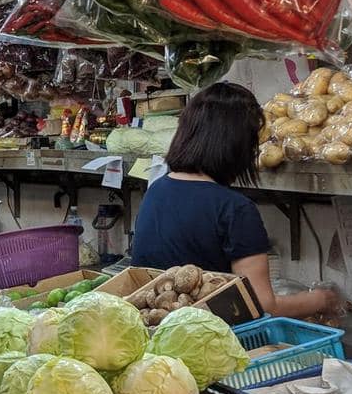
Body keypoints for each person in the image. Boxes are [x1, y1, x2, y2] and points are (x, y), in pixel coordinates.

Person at [131, 82, 340, 320]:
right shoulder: (233, 208)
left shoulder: (156, 190)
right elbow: (263, 305)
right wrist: (321, 300)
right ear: (236, 145)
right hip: (209, 339)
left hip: (157, 331)